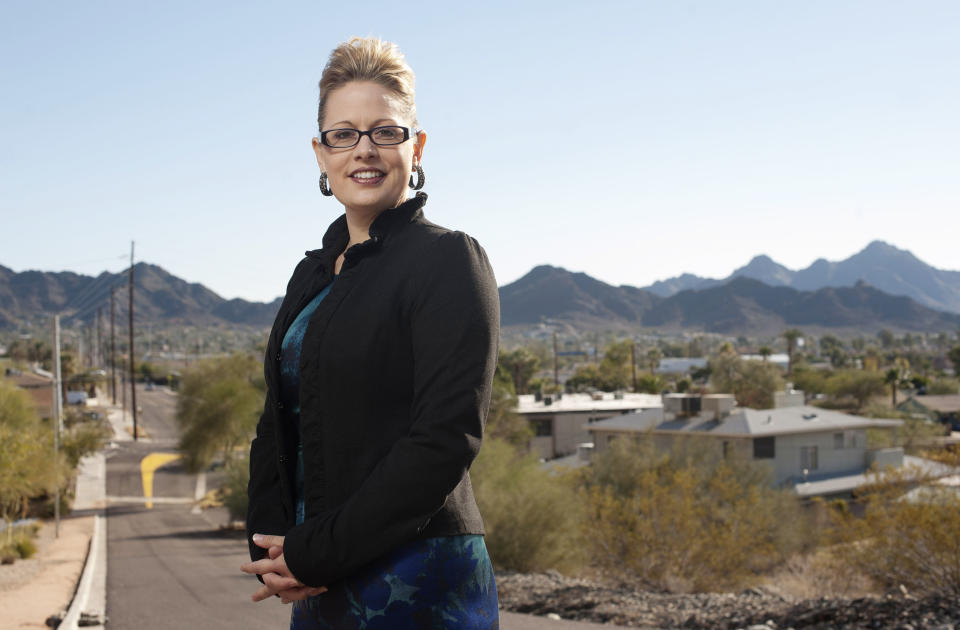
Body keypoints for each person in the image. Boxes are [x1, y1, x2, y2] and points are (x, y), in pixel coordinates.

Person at [239, 36, 501, 630]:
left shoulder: (449, 261)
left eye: (385, 131)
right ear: (320, 152)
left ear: (417, 145)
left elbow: (444, 439)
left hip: (419, 579)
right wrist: (272, 542)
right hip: (316, 575)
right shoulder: (311, 275)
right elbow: (277, 420)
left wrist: (313, 552)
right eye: (344, 134)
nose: (365, 150)